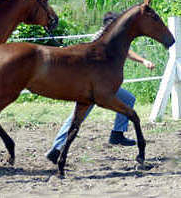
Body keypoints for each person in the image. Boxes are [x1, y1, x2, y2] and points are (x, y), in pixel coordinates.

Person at [45, 12, 155, 164]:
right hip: (93, 87)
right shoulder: (102, 39)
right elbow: (126, 52)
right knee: (77, 117)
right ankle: (56, 149)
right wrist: (143, 61)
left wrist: (143, 61)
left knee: (128, 99)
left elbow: (126, 52)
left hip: (105, 86)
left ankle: (117, 134)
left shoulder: (112, 38)